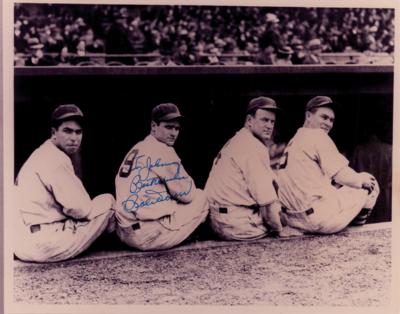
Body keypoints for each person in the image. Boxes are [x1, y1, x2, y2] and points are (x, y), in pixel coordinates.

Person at [14, 104, 115, 262]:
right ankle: (113, 248)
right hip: (46, 244)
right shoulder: (56, 159)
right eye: (67, 131)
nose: (74, 138)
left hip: (23, 243)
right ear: (54, 133)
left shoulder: (40, 153)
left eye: (78, 132)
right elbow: (80, 209)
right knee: (108, 202)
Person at [276, 96, 380, 234]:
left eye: (331, 120)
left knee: (337, 190)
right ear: (308, 115)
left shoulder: (294, 141)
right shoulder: (318, 136)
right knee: (369, 180)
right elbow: (343, 176)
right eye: (323, 117)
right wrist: (362, 181)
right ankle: (356, 233)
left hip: (291, 220)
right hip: (316, 220)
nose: (328, 123)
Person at [114, 103, 209, 251]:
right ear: (153, 126)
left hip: (125, 232)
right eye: (168, 127)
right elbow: (188, 195)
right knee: (202, 197)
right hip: (150, 235)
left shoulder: (137, 147)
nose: (174, 133)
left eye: (176, 128)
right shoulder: (162, 150)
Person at [205, 97, 302, 240]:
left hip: (216, 219)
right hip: (237, 225)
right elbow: (267, 203)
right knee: (293, 218)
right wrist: (279, 229)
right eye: (264, 120)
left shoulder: (237, 139)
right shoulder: (253, 147)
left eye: (272, 121)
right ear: (249, 120)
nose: (269, 126)